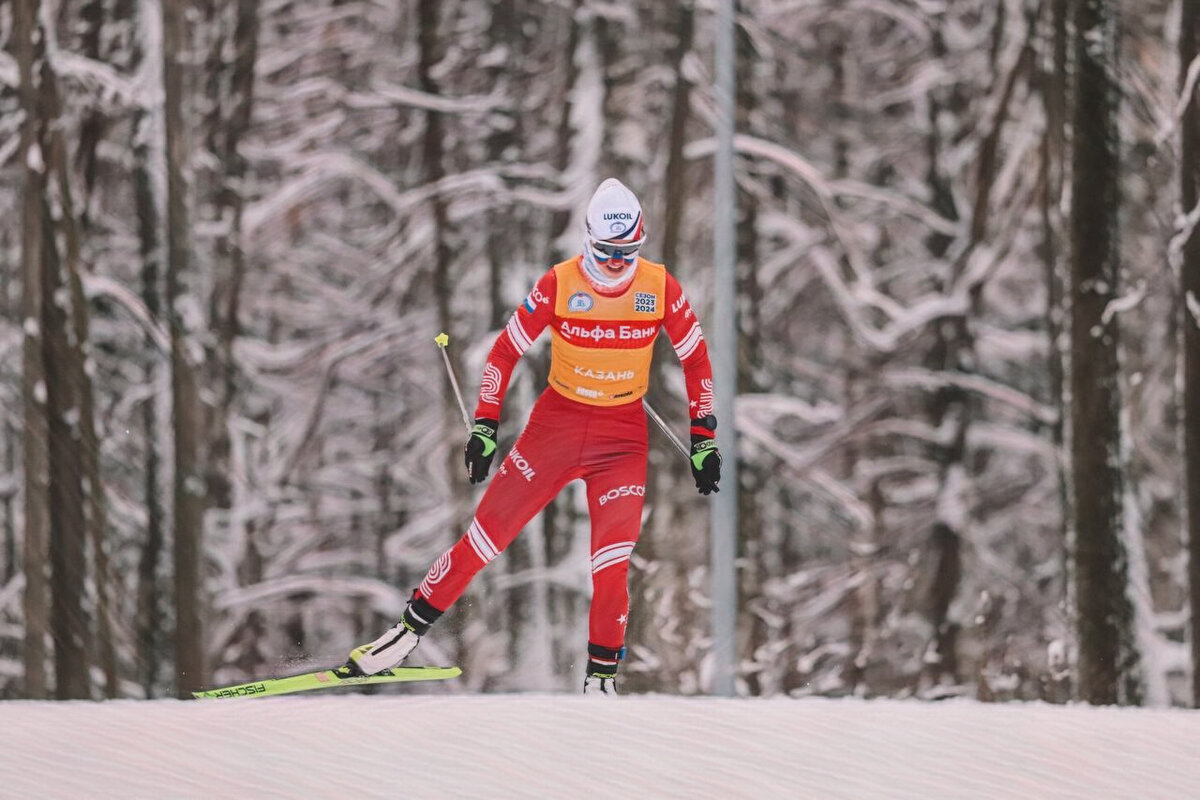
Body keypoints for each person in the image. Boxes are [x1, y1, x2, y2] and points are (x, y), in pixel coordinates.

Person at [345, 178, 722, 694]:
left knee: (611, 565)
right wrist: (484, 425)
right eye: (607, 252)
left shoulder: (658, 287)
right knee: (485, 537)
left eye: (628, 252)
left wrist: (704, 438)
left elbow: (696, 359)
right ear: (590, 240)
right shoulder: (561, 283)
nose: (617, 264)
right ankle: (404, 634)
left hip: (622, 440)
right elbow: (504, 352)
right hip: (557, 429)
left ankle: (600, 684)